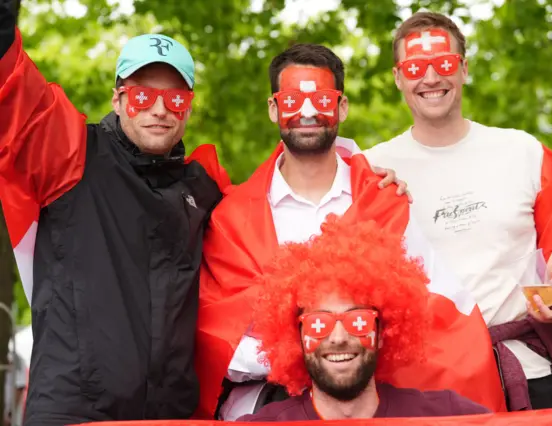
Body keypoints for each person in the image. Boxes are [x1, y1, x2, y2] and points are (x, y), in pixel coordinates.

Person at [194, 43, 505, 420]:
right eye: (292, 100)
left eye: (321, 100)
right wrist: (315, 355)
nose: (307, 112)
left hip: (374, 404)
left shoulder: (384, 202)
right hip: (269, 408)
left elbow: (431, 310)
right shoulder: (231, 219)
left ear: (341, 107)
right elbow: (220, 343)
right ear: (273, 108)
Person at [363, 11, 552, 410]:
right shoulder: (373, 170)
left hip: (526, 375)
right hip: (423, 387)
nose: (430, 79)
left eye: (443, 64)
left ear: (463, 68)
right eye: (415, 67)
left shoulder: (522, 152)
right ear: (397, 77)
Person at [0, 0, 231, 423]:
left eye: (174, 98)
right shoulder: (72, 156)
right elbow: (14, 96)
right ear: (119, 99)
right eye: (143, 94)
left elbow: (275, 217)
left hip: (172, 415)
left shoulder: (204, 188)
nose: (159, 109)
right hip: (74, 412)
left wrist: (364, 173)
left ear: (189, 105)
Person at [236, 217, 491, 421]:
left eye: (356, 319)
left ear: (382, 333)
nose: (338, 338)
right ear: (297, 337)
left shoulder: (448, 417)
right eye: (319, 323)